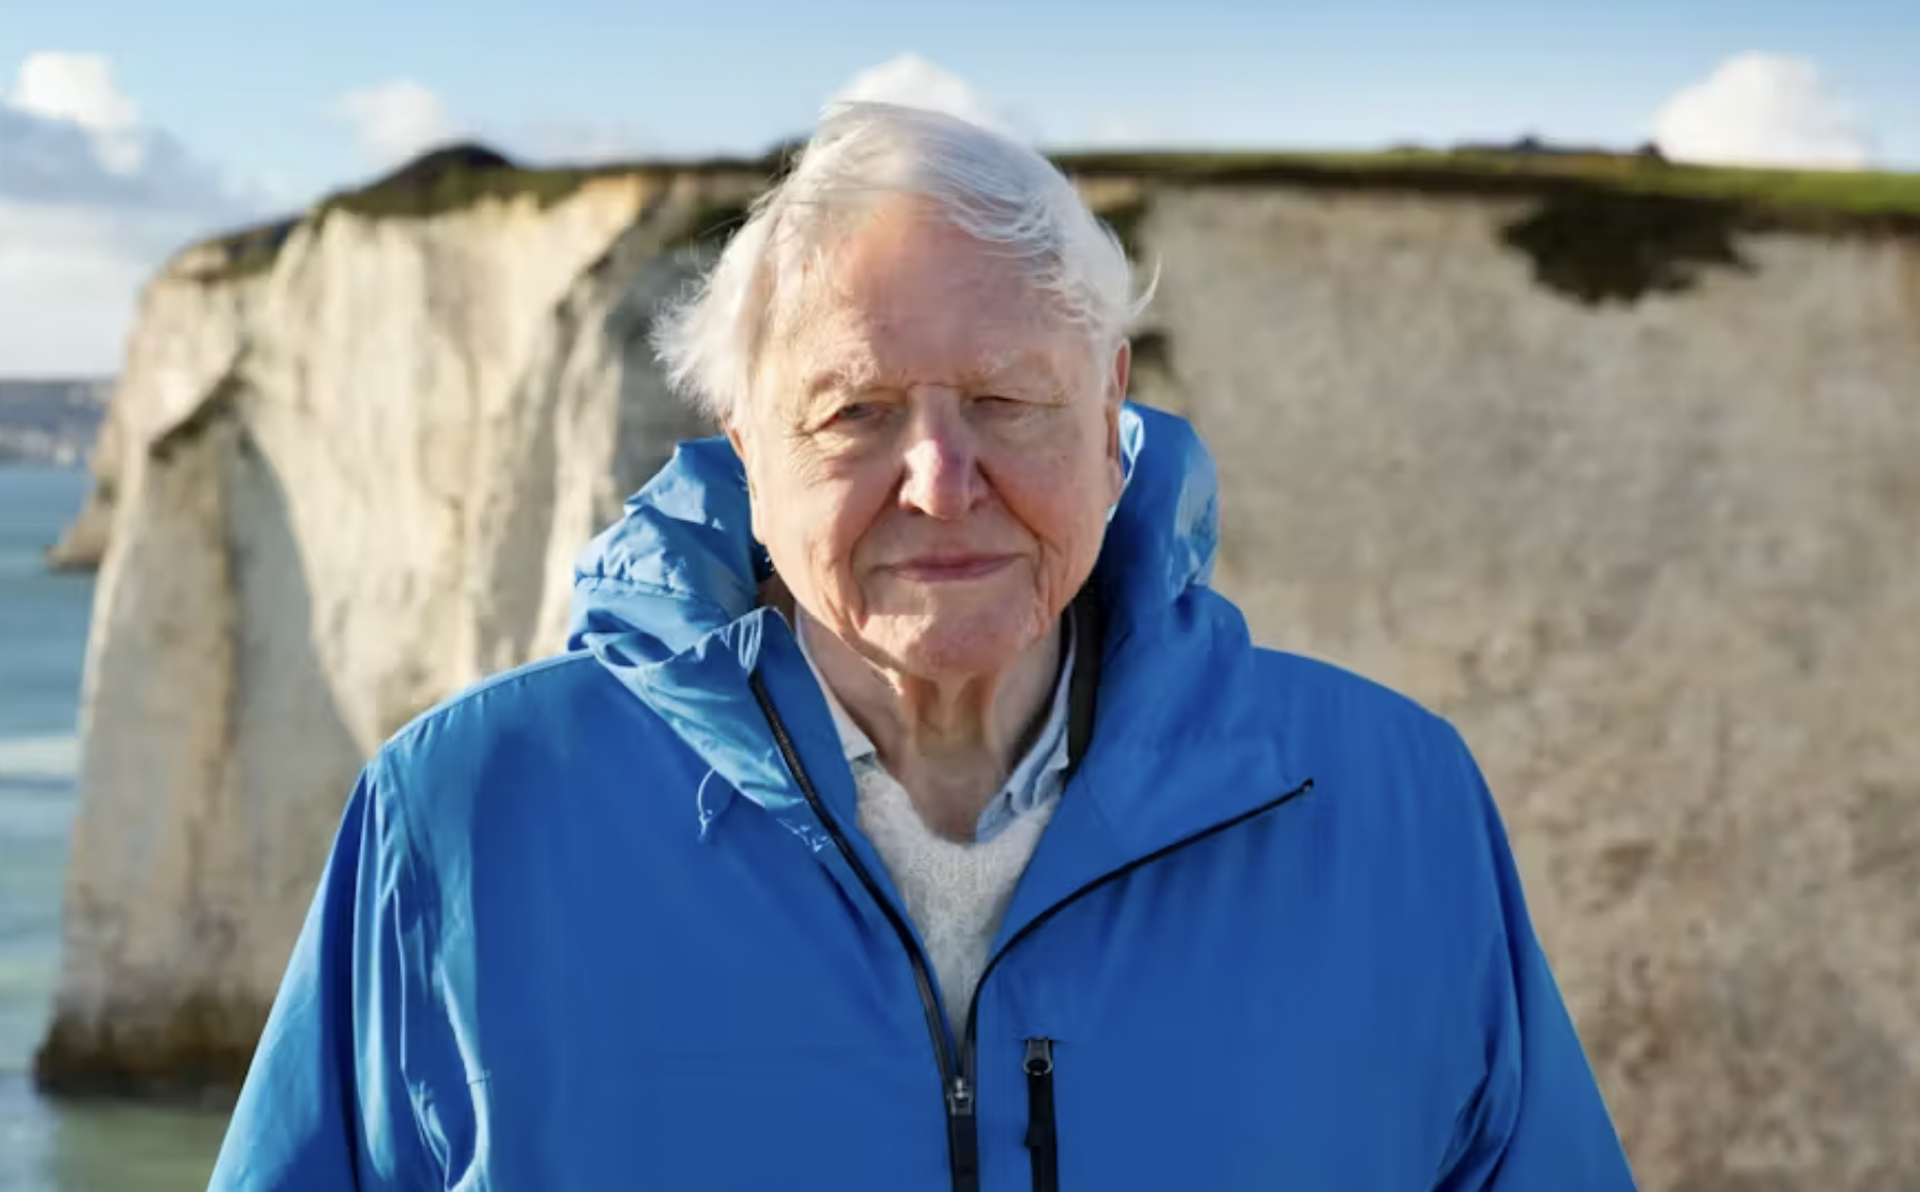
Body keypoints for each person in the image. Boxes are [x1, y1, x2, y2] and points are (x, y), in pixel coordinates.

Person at [207, 101, 1636, 1191]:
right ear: (744, 446)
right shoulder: (466, 813)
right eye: (855, 412)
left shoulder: (1393, 802)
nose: (942, 479)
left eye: (1009, 401)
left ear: (1111, 413)